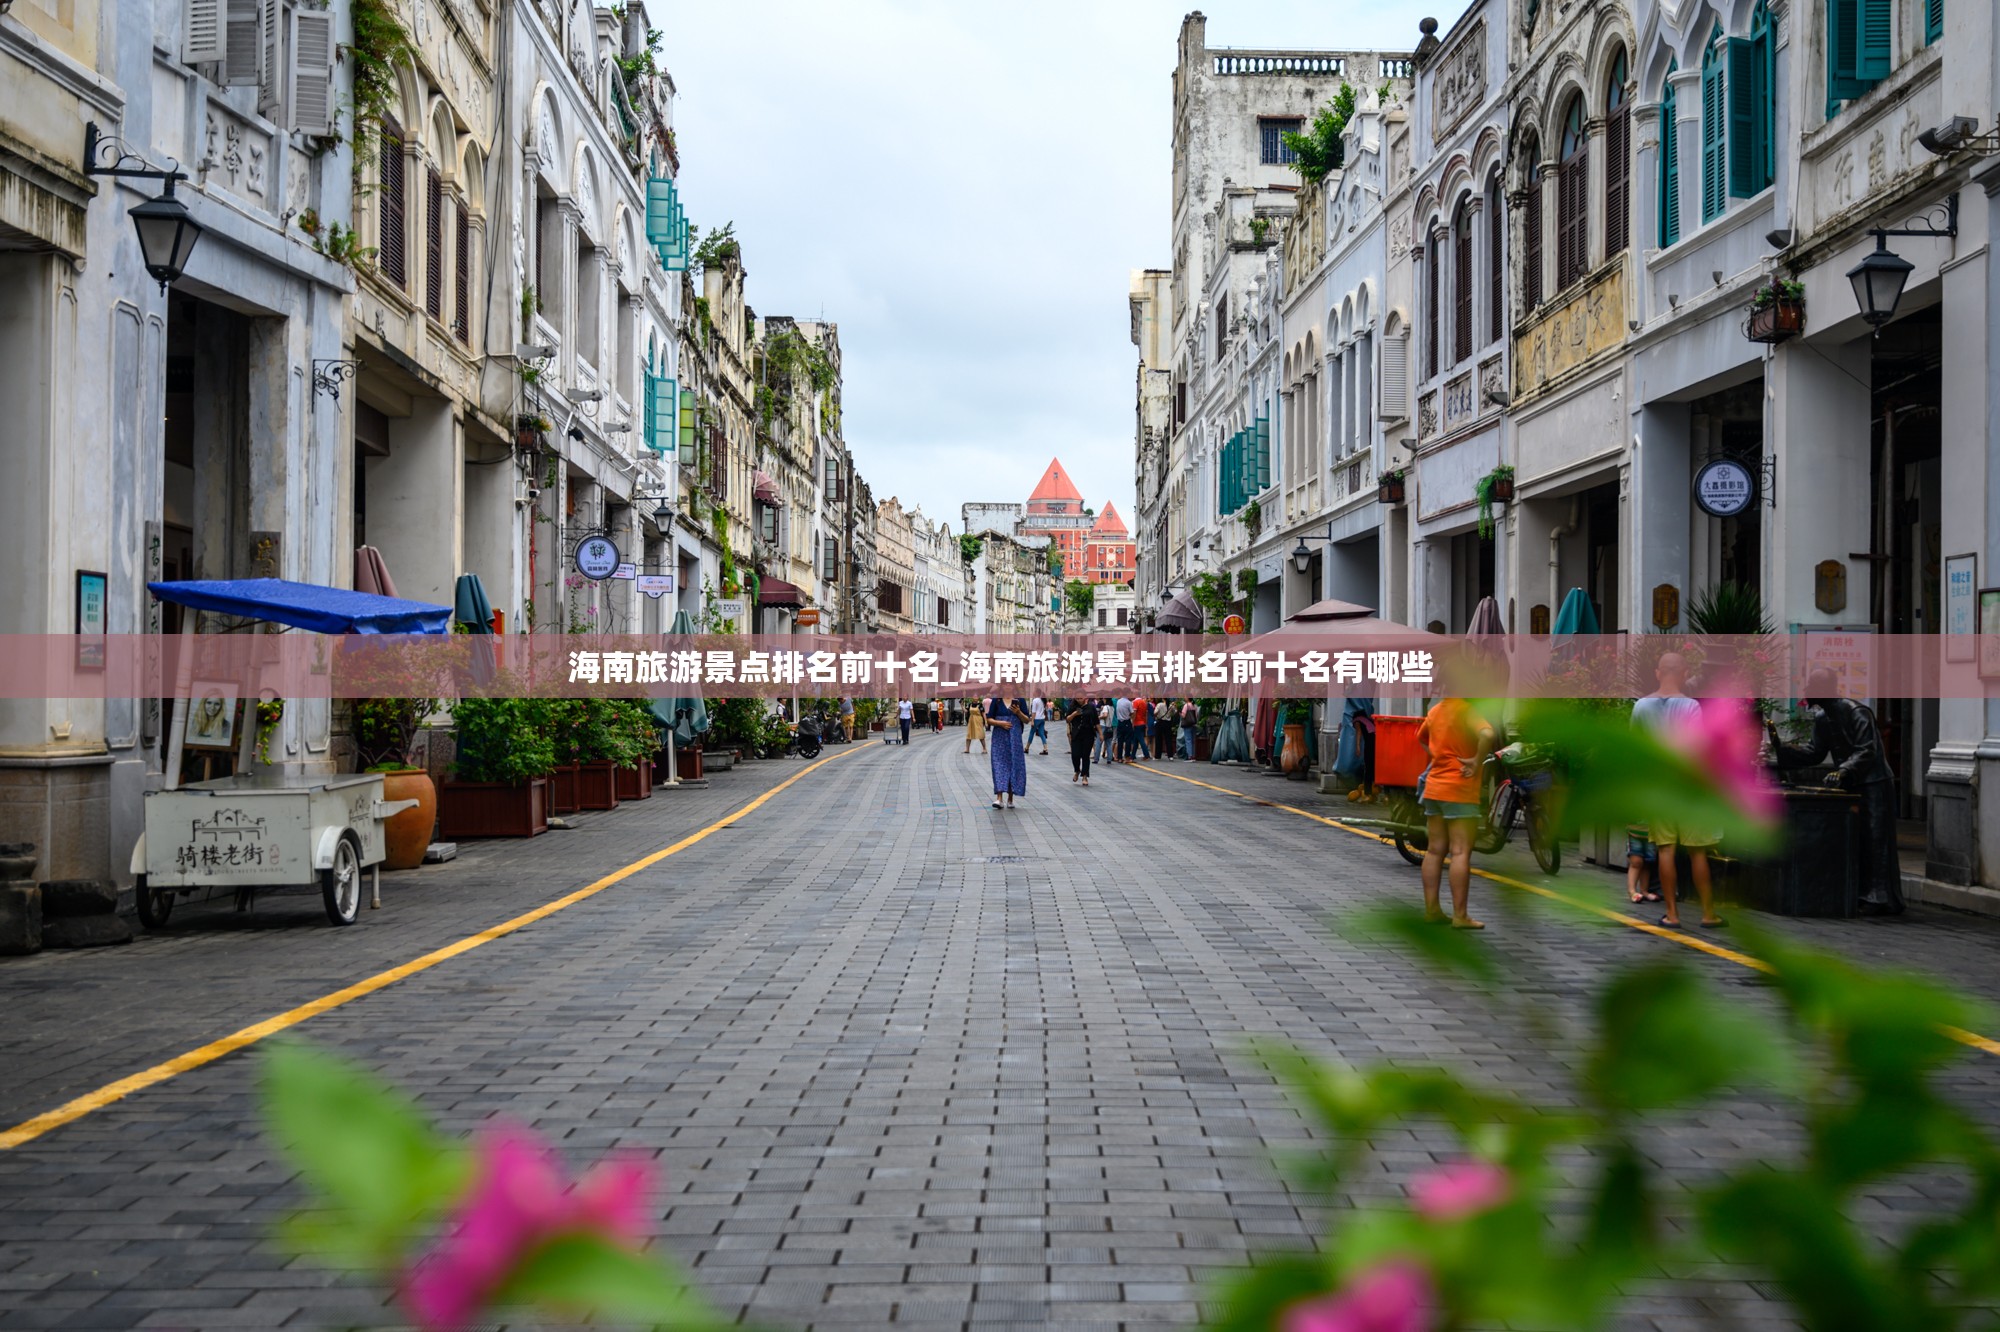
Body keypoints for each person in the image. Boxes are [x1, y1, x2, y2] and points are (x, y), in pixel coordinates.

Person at [1771, 668, 1905, 914]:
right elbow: (1815, 752)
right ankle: (1860, 892)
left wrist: (1843, 770)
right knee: (1856, 839)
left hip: (1874, 783)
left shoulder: (1857, 712)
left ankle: (1879, 897)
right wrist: (1783, 749)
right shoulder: (1823, 718)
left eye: (1811, 685)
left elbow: (1867, 749)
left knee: (1875, 840)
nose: (1807, 690)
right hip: (1851, 783)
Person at [1633, 652, 1724, 929]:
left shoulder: (1641, 707)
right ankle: (1708, 913)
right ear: (1685, 674)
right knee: (1698, 852)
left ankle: (1672, 914)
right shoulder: (1692, 707)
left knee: (1665, 850)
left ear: (1658, 673)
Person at [1417, 695, 1497, 929]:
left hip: (1434, 787)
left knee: (1434, 851)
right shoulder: (1466, 710)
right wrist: (1476, 759)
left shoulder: (1436, 711)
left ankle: (1432, 910)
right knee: (1460, 851)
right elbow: (1488, 734)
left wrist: (1437, 758)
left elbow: (1421, 738)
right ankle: (1460, 916)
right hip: (1459, 788)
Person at [986, 695, 1031, 808]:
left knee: (1013, 764)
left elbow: (1026, 720)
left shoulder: (1020, 700)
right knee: (998, 765)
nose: (1008, 686)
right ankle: (999, 798)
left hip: (1015, 736)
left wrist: (1018, 712)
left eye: (1010, 683)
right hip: (999, 737)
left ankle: (1010, 798)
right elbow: (989, 719)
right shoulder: (997, 700)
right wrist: (1000, 723)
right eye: (1005, 683)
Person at [1067, 697, 1101, 786]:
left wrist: (1100, 734)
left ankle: (1085, 776)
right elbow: (1067, 720)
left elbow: (1096, 721)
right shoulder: (1073, 707)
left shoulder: (1091, 707)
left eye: (1080, 698)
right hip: (1076, 734)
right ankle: (1077, 770)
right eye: (1077, 698)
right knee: (1075, 755)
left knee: (1085, 756)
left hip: (1088, 734)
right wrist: (1074, 714)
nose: (1079, 700)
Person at [1625, 826, 1660, 905]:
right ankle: (1632, 891)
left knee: (1647, 863)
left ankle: (1644, 891)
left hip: (1652, 834)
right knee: (1636, 862)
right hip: (1634, 832)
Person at [1113, 695, 1134, 762]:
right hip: (1126, 722)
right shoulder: (1128, 702)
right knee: (1128, 740)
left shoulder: (1118, 701)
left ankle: (1119, 757)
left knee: (1120, 740)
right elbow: (1132, 712)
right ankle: (1127, 757)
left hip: (1119, 722)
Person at [1131, 695, 1152, 761]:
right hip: (1142, 723)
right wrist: (1146, 724)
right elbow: (1146, 714)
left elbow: (1134, 713)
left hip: (1137, 723)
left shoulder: (1135, 702)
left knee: (1141, 740)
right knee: (1136, 740)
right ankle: (1133, 755)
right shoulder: (1144, 703)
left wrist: (1132, 722)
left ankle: (1146, 755)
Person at [1097, 697, 1116, 764]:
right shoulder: (1112, 708)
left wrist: (1099, 717)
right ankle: (1109, 759)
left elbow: (1105, 715)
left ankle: (1096, 759)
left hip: (1103, 726)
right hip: (1109, 726)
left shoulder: (1105, 707)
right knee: (1108, 744)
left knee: (1099, 743)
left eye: (1104, 699)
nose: (1103, 700)